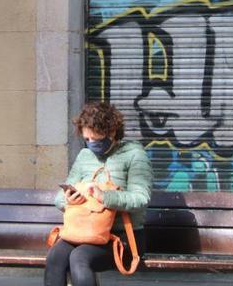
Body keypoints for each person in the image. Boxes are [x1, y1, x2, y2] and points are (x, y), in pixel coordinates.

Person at [45, 102, 153, 286]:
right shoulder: (84, 157)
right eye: (87, 139)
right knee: (55, 257)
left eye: (96, 139)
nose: (91, 143)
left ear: (111, 132)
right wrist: (69, 200)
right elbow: (59, 198)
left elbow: (141, 197)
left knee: (80, 258)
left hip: (122, 237)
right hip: (85, 231)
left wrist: (104, 197)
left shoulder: (134, 154)